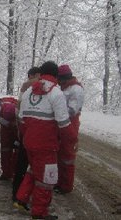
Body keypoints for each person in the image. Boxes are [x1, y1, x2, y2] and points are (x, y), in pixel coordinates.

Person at [15, 61, 74, 220]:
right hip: (46, 145)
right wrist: (71, 141)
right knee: (47, 179)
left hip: (29, 142)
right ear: (55, 75)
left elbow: (20, 119)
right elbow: (63, 123)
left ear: (41, 74)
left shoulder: (28, 92)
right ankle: (39, 213)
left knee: (33, 171)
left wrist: (25, 137)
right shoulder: (56, 93)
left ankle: (21, 199)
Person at [12, 67, 41, 206]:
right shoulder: (43, 85)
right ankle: (30, 196)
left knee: (21, 164)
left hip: (24, 128)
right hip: (39, 132)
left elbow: (18, 108)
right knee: (36, 167)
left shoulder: (25, 85)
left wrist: (20, 126)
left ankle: (16, 193)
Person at [55, 64, 84, 194]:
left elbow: (72, 110)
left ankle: (66, 186)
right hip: (61, 123)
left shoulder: (76, 89)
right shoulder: (64, 88)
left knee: (67, 156)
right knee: (59, 154)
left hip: (70, 124)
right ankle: (59, 181)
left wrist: (56, 111)